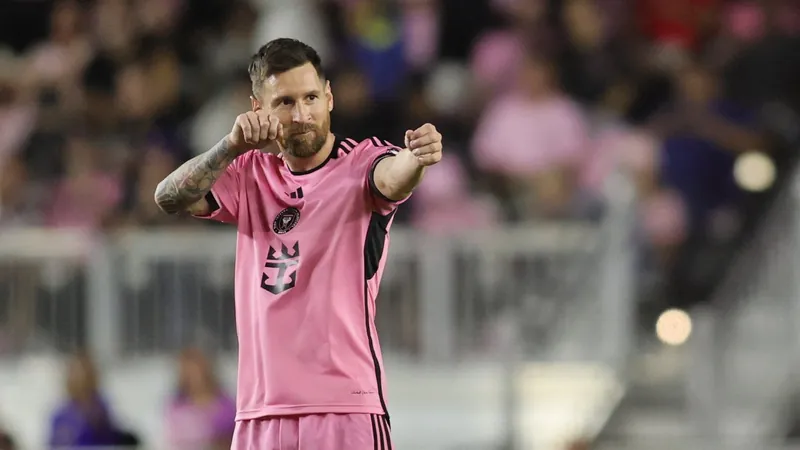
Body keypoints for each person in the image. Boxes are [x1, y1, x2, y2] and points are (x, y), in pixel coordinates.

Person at [153, 38, 443, 449]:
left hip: (345, 409)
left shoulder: (361, 162)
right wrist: (230, 145)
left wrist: (416, 157)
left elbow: (394, 176)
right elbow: (168, 197)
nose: (302, 114)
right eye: (285, 102)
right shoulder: (250, 173)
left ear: (329, 97)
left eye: (311, 98)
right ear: (259, 110)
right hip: (260, 415)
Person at [48, 352, 139, 449]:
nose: (82, 381)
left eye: (87, 376)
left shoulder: (102, 409)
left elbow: (111, 438)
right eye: (77, 376)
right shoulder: (62, 417)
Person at [165, 348, 236, 450]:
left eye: (195, 370)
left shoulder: (225, 406)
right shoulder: (177, 405)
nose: (192, 375)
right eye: (187, 371)